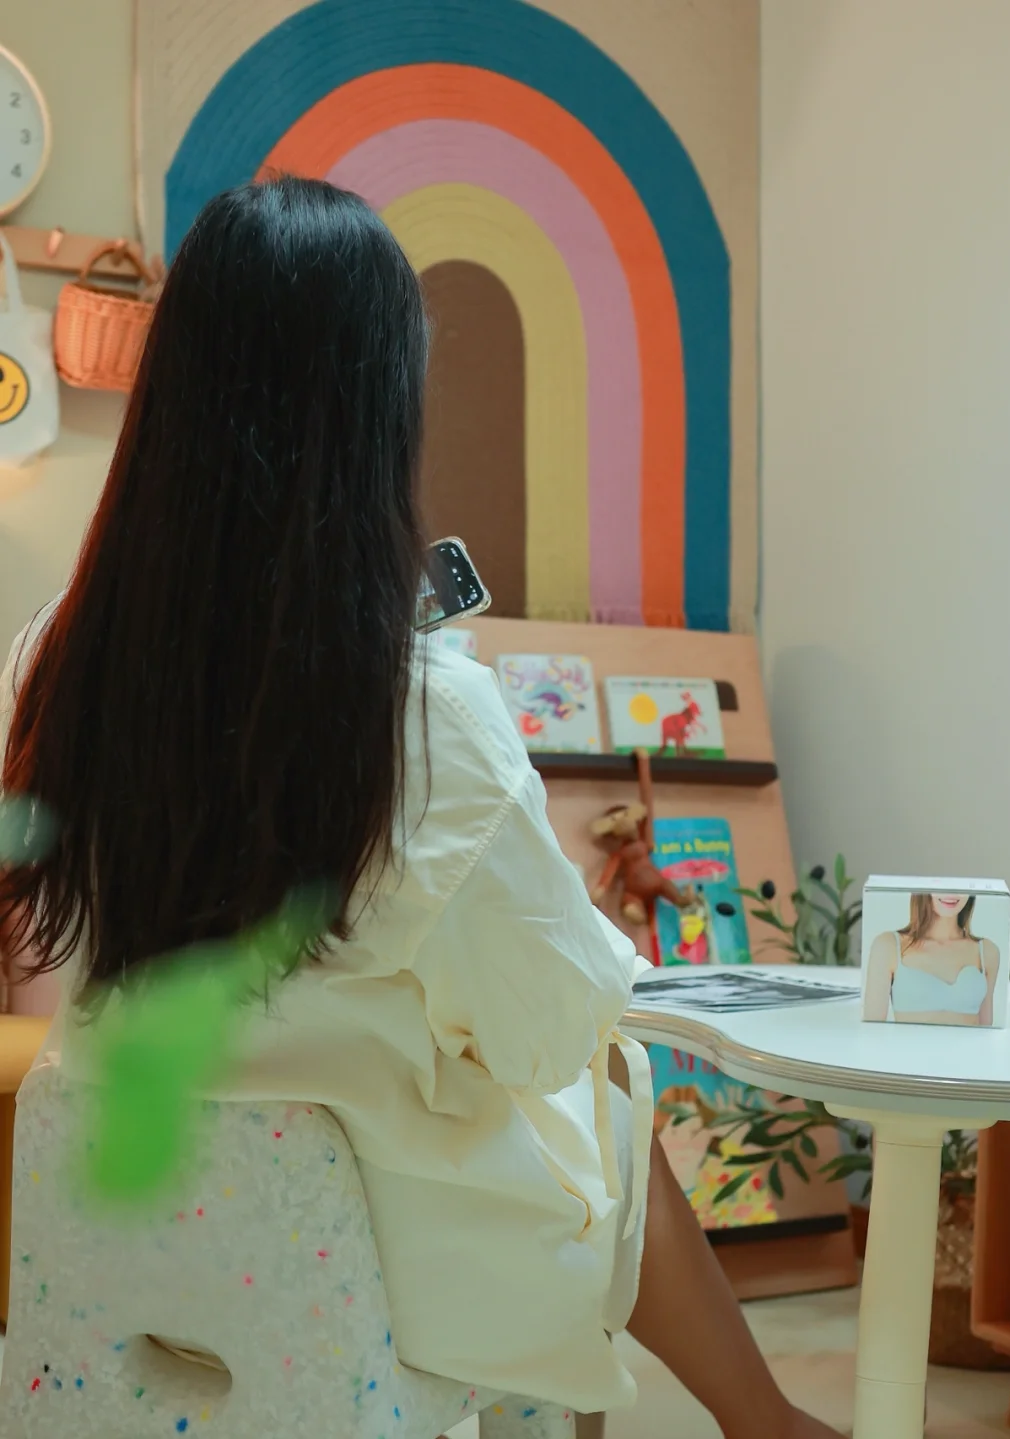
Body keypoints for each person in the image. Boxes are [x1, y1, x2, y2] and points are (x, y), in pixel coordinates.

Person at [0, 177, 839, 1439]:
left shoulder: (51, 660)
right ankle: (766, 1420)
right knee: (603, 1091)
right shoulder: (425, 713)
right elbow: (548, 1029)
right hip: (368, 1269)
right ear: (375, 416)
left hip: (120, 1230)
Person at [863, 892, 1000, 1026]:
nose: (951, 893)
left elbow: (986, 1029)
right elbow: (872, 1029)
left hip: (970, 1042)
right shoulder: (888, 945)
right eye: (942, 884)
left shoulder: (987, 951)